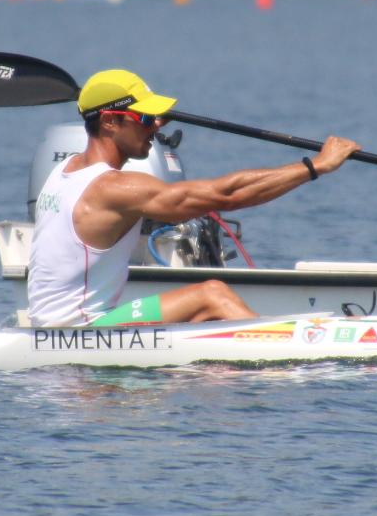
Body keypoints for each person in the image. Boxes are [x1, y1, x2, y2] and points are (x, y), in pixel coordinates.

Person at [26, 69, 358, 327]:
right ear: (110, 122)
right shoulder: (111, 189)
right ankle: (288, 353)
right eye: (145, 119)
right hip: (81, 331)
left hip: (57, 323)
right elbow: (226, 195)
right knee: (211, 295)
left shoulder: (64, 169)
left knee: (211, 362)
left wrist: (146, 119)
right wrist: (316, 166)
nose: (154, 127)